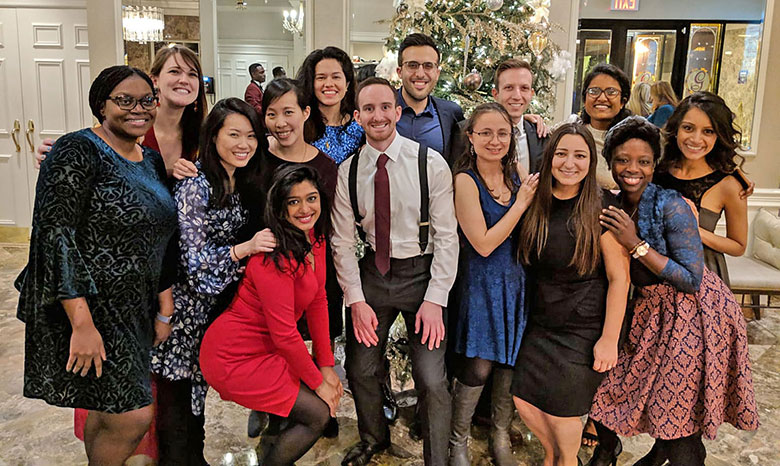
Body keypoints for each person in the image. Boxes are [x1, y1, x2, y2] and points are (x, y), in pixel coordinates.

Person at [15, 65, 177, 465]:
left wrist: (164, 304)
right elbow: (56, 236)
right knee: (132, 414)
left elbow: (162, 237)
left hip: (135, 306)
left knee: (110, 409)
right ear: (100, 105)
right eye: (124, 100)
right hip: (92, 305)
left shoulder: (151, 160)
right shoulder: (77, 150)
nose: (137, 109)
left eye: (146, 100)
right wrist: (82, 324)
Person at [588, 116, 759, 466]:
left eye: (643, 161)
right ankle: (610, 450)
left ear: (654, 165)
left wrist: (636, 245)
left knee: (678, 418)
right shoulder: (614, 204)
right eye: (623, 160)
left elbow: (690, 279)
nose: (632, 168)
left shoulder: (672, 205)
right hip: (650, 312)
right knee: (605, 393)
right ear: (610, 162)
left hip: (696, 315)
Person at [331, 77, 458, 466]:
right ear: (357, 117)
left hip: (422, 276)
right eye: (368, 109)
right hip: (373, 276)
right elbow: (340, 242)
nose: (378, 115)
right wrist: (355, 300)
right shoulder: (349, 172)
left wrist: (436, 300)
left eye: (385, 107)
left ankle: (438, 457)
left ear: (397, 112)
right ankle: (374, 437)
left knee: (432, 378)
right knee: (361, 367)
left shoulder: (429, 163)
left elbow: (447, 238)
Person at [149, 97, 274, 464]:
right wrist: (244, 249)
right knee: (176, 401)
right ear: (213, 136)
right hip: (183, 312)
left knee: (196, 398)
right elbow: (193, 263)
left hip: (212, 311)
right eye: (233, 134)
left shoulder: (240, 182)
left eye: (251, 135)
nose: (243, 144)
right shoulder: (195, 185)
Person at [200, 165, 342, 466]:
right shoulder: (272, 256)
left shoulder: (314, 238)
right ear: (280, 207)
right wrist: (319, 382)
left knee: (308, 407)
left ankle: (270, 451)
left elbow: (319, 300)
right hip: (234, 355)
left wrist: (326, 364)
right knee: (317, 414)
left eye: (311, 198)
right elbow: (286, 334)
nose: (305, 209)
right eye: (294, 201)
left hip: (271, 349)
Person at [511, 122, 631, 466]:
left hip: (585, 323)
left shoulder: (602, 206)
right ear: (549, 157)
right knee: (524, 398)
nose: (569, 163)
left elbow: (619, 278)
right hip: (543, 318)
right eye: (562, 153)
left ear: (590, 162)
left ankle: (565, 461)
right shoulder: (536, 201)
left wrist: (609, 339)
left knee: (564, 412)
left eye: (580, 155)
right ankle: (552, 454)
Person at [448, 103, 539, 466]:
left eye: (502, 133)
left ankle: (500, 432)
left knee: (509, 363)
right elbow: (483, 243)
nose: (494, 140)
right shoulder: (465, 180)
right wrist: (519, 206)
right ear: (470, 137)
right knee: (479, 365)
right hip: (480, 285)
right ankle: (458, 439)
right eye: (485, 132)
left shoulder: (517, 173)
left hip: (516, 285)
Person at [35, 44, 207, 175]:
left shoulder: (204, 135)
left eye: (192, 74)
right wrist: (53, 153)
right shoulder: (129, 125)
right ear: (154, 80)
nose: (184, 80)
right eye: (175, 71)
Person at [654, 91, 748, 287]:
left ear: (719, 135)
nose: (696, 139)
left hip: (703, 276)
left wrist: (695, 231)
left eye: (708, 131)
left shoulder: (730, 184)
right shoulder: (658, 171)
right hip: (654, 271)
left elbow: (738, 246)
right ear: (676, 129)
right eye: (688, 128)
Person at [395, 33, 465, 166]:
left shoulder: (452, 114)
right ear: (400, 72)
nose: (420, 74)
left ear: (437, 73)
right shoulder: (380, 111)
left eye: (428, 66)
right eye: (412, 65)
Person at [296, 46, 364, 165]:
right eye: (321, 78)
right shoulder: (300, 124)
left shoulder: (360, 124)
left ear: (347, 84)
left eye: (336, 77)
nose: (329, 84)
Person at [579, 63, 632, 189]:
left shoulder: (633, 139)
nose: (602, 98)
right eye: (594, 91)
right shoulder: (574, 131)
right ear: (585, 98)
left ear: (622, 102)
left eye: (611, 92)